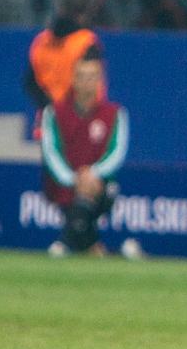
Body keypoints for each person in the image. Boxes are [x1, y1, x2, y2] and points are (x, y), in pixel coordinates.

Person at [41, 45, 128, 257]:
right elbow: (50, 152)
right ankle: (101, 251)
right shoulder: (54, 112)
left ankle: (65, 243)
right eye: (81, 76)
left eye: (92, 76)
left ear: (100, 80)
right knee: (81, 202)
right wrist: (74, 179)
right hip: (64, 184)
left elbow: (117, 153)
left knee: (91, 194)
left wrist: (93, 174)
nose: (87, 81)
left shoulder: (115, 113)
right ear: (73, 78)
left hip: (100, 186)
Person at [23, 0, 101, 112]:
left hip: (47, 116)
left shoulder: (42, 41)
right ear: (86, 12)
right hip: (80, 116)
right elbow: (88, 83)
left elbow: (30, 82)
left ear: (61, 8)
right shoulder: (86, 41)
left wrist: (49, 107)